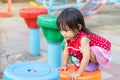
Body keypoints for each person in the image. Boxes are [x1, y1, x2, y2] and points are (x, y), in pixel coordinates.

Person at [57, 7, 112, 80]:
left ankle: (93, 63)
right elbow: (65, 52)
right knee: (78, 51)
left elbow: (86, 57)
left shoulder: (83, 39)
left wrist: (78, 73)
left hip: (100, 51)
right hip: (86, 53)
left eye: (66, 30)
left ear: (79, 27)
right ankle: (85, 63)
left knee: (87, 53)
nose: (63, 34)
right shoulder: (69, 36)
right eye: (61, 30)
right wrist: (64, 65)